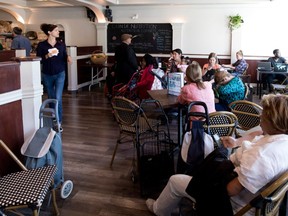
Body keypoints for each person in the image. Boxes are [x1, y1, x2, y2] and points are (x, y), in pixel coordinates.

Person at [146, 94, 288, 216]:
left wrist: (207, 178)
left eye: (264, 114)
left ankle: (159, 210)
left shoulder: (262, 157)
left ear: (274, 122)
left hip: (236, 206)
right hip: (258, 203)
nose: (260, 115)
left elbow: (229, 191)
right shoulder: (281, 142)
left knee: (175, 181)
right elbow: (256, 134)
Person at [36, 23, 72, 132]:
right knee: (51, 98)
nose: (58, 32)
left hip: (60, 73)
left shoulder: (61, 44)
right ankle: (54, 120)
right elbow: (39, 59)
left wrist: (68, 57)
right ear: (49, 32)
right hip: (47, 74)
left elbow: (64, 55)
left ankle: (58, 122)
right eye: (56, 30)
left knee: (58, 98)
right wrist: (47, 56)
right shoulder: (42, 45)